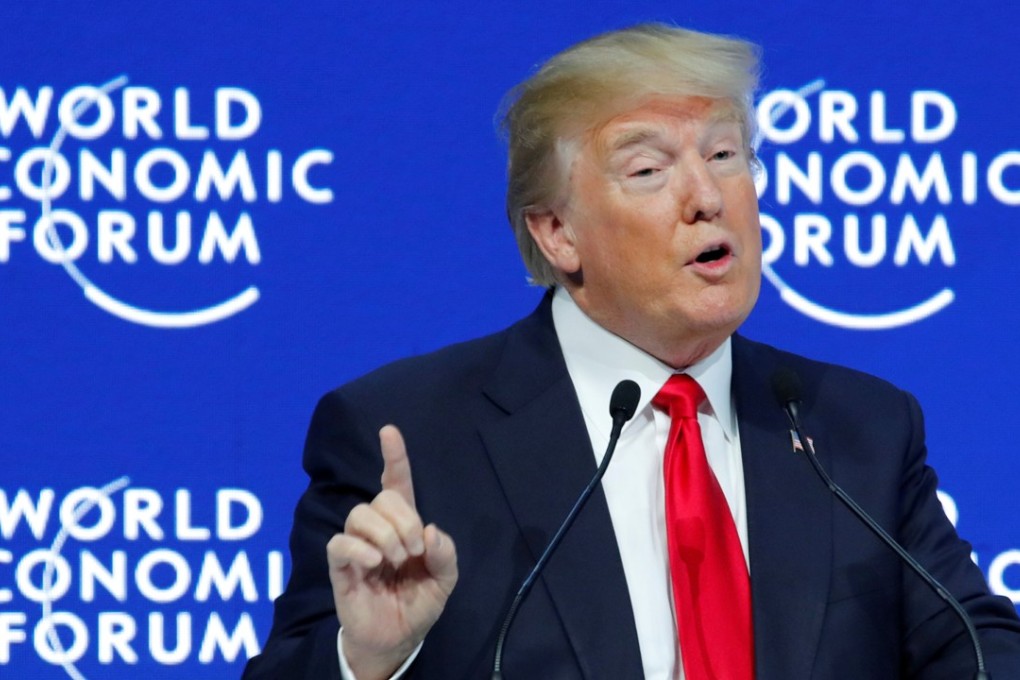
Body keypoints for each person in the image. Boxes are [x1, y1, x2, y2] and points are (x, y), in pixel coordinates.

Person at [243, 23, 1020, 679]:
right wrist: (370, 658)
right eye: (649, 169)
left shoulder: (858, 428)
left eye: (725, 155)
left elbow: (976, 647)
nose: (707, 197)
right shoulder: (409, 431)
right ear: (558, 233)